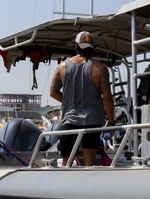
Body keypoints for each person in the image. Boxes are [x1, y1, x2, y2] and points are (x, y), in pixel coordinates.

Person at [49, 31, 115, 167]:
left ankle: (63, 184)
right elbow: (107, 97)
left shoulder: (62, 67)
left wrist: (69, 101)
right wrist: (112, 122)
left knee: (66, 161)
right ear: (92, 47)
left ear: (76, 46)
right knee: (89, 162)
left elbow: (53, 92)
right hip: (91, 120)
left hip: (69, 119)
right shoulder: (100, 68)